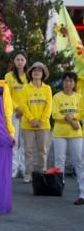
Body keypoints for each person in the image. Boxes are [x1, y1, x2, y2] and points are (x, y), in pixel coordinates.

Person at [51, 72, 84, 205]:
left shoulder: (79, 96)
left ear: (75, 83)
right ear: (62, 82)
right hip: (59, 134)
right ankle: (59, 187)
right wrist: (67, 118)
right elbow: (54, 114)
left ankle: (82, 193)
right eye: (66, 81)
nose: (68, 83)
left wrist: (73, 117)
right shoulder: (57, 97)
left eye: (71, 81)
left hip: (75, 133)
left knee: (78, 162)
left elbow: (81, 112)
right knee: (59, 161)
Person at [17, 62, 52, 184]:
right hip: (28, 125)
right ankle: (28, 174)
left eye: (39, 71)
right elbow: (23, 105)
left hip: (44, 125)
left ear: (43, 74)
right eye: (34, 70)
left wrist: (42, 120)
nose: (36, 72)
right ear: (30, 73)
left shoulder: (47, 88)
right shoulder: (25, 87)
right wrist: (31, 119)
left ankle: (42, 173)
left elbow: (49, 106)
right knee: (29, 151)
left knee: (43, 150)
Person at [4, 51, 28, 179]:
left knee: (25, 142)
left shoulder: (29, 76)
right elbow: (7, 95)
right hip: (13, 113)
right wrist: (17, 108)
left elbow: (30, 94)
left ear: (25, 62)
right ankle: (13, 169)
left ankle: (24, 169)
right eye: (17, 59)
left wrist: (23, 110)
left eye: (22, 59)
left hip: (26, 114)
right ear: (14, 61)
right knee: (14, 141)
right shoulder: (8, 76)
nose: (19, 62)